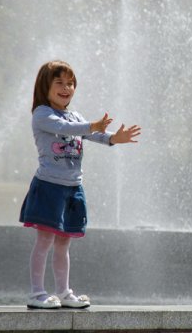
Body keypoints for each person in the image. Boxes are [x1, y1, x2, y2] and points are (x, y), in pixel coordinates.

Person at [19, 60, 141, 309]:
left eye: (70, 83)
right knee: (44, 241)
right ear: (45, 86)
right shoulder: (42, 113)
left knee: (64, 243)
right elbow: (65, 128)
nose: (66, 88)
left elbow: (88, 133)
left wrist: (113, 138)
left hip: (73, 188)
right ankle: (36, 293)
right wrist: (91, 125)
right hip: (49, 186)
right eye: (60, 83)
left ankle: (63, 292)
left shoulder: (74, 114)